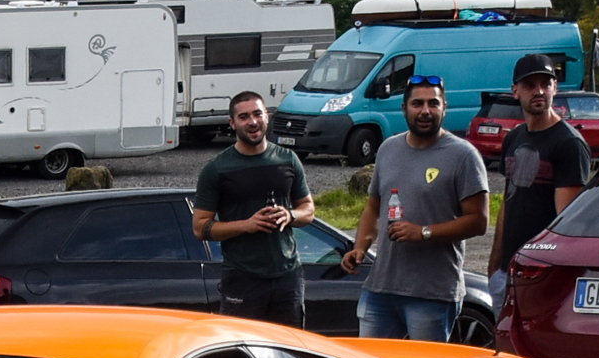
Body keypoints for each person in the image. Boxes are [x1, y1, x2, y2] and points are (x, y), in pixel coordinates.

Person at [340, 77, 488, 339]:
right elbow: (374, 207)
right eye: (417, 103)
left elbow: (478, 220)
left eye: (433, 103)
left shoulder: (463, 155)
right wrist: (359, 247)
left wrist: (424, 232)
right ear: (404, 108)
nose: (425, 111)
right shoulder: (388, 149)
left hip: (432, 293)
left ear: (444, 107)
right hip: (381, 289)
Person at [192, 91, 316, 327]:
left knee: (289, 352)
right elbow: (200, 227)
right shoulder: (217, 169)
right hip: (242, 277)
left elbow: (308, 209)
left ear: (267, 117)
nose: (252, 122)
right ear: (232, 123)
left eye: (258, 114)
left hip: (287, 276)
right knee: (242, 353)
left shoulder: (288, 159)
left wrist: (290, 215)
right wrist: (247, 225)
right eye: (244, 117)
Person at [488, 53, 592, 307]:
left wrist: (550, 278)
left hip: (541, 276)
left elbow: (569, 225)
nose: (539, 91)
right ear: (515, 91)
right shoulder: (514, 138)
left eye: (545, 84)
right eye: (529, 85)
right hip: (508, 270)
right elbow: (508, 204)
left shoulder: (569, 144)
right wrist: (495, 262)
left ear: (555, 88)